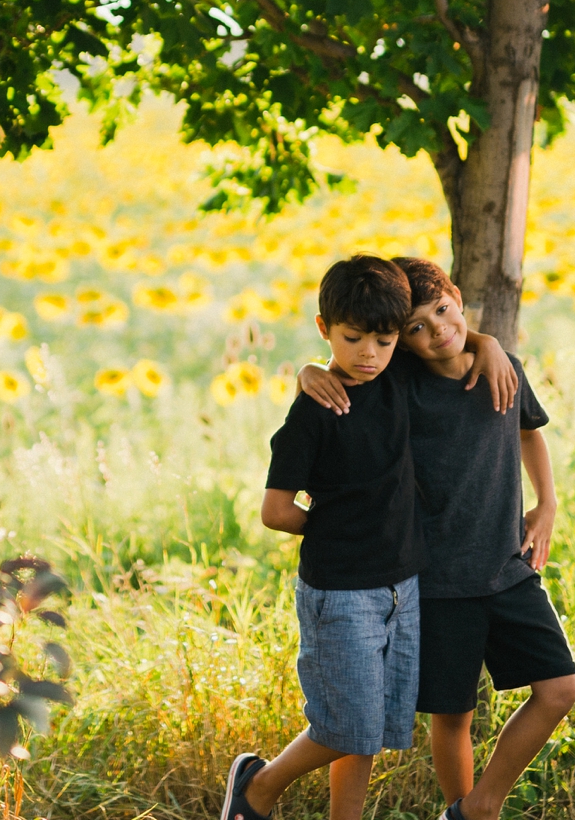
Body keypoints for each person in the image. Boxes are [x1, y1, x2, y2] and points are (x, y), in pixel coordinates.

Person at [299, 256, 575, 820]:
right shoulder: (402, 385)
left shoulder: (504, 368)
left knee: (560, 687)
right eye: (416, 329)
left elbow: (529, 432)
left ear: (458, 301)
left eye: (444, 313)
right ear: (402, 344)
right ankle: (462, 809)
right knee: (453, 716)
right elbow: (347, 361)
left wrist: (546, 503)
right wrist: (307, 372)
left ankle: (480, 806)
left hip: (507, 568)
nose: (437, 332)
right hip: (438, 583)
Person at [219, 255, 420, 820]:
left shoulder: (397, 372)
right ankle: (258, 787)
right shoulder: (314, 411)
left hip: (402, 584)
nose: (369, 354)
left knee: (370, 729)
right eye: (353, 339)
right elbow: (276, 511)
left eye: (383, 340)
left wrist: (491, 347)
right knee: (347, 725)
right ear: (324, 328)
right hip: (342, 589)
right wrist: (339, 527)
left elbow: (446, 324)